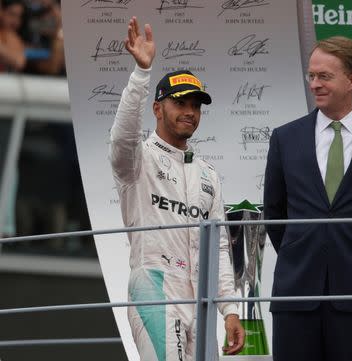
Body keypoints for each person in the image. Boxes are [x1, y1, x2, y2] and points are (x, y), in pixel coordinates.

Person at [263, 36, 352, 361]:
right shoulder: (285, 138)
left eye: (324, 76)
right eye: (311, 76)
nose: (315, 84)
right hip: (296, 294)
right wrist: (303, 250)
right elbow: (275, 211)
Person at [110, 17, 244, 361]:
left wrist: (230, 309)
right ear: (158, 108)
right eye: (180, 103)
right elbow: (122, 137)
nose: (190, 112)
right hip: (154, 288)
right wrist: (142, 74)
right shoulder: (137, 159)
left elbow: (219, 249)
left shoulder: (208, 175)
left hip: (198, 299)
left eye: (196, 105)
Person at [0, 0, 26, 72]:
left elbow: (19, 62)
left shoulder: (12, 37)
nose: (15, 21)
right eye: (11, 14)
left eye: (19, 17)